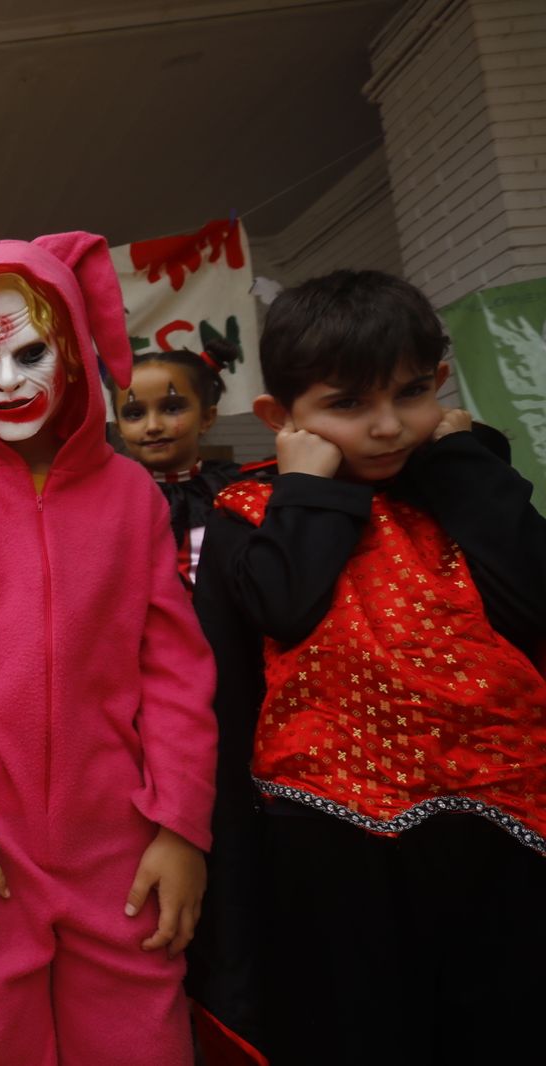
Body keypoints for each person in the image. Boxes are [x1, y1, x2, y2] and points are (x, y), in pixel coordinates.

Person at [0, 235, 218, 1065]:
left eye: (31, 353)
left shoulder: (132, 494)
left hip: (122, 847)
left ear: (70, 348)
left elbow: (175, 671)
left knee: (142, 1040)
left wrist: (181, 828)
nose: (9, 381)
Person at [189, 270, 546, 1066]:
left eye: (410, 394)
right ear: (283, 419)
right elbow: (284, 610)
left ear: (442, 386)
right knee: (359, 1031)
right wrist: (310, 489)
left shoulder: (464, 484)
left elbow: (533, 591)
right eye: (347, 405)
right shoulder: (250, 514)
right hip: (328, 838)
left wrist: (459, 459)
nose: (387, 427)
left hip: (502, 827)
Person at [112, 342, 243, 585]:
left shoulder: (238, 492)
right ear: (118, 427)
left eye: (172, 408)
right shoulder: (106, 500)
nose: (153, 426)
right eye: (134, 413)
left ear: (206, 417)